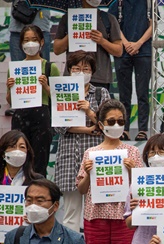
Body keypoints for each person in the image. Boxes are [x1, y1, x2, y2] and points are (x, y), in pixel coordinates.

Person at [77, 99, 142, 244]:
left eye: (120, 121)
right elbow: (82, 189)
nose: (116, 124)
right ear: (102, 124)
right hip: (95, 217)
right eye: (111, 121)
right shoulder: (90, 153)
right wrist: (88, 174)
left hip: (125, 218)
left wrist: (133, 169)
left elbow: (143, 188)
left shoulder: (133, 152)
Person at [54, 51, 110, 232]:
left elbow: (107, 125)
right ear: (69, 70)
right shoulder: (62, 91)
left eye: (85, 68)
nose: (81, 72)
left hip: (96, 160)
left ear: (92, 71)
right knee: (71, 212)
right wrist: (88, 129)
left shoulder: (101, 93)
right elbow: (60, 127)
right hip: (70, 158)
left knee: (95, 211)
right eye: (76, 68)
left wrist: (89, 111)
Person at [6, 24, 60, 177]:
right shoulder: (15, 68)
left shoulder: (50, 67)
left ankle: (38, 193)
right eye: (26, 40)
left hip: (41, 116)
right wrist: (10, 88)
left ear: (42, 42)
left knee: (39, 162)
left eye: (34, 39)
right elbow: (10, 101)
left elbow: (58, 99)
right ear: (21, 44)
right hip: (20, 116)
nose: (30, 44)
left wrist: (45, 86)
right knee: (19, 158)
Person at [53, 0, 122, 90]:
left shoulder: (108, 19)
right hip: (73, 75)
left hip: (99, 77)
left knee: (98, 103)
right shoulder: (68, 18)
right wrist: (72, 34)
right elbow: (57, 49)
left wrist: (102, 41)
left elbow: (119, 51)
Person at [108, 0, 152, 140]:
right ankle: (124, 128)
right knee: (124, 94)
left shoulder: (150, 4)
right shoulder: (117, 4)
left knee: (143, 93)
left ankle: (143, 129)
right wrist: (126, 43)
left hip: (144, 50)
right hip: (122, 52)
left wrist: (138, 43)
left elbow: (154, 25)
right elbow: (114, 26)